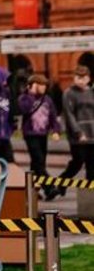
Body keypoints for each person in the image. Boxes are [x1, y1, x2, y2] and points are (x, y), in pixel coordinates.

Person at [17, 74, 61, 198]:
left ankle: (32, 190)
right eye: (41, 85)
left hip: (43, 134)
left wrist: (55, 131)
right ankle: (49, 188)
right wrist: (31, 94)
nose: (44, 88)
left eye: (45, 86)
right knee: (39, 160)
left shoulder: (47, 99)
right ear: (33, 85)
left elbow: (53, 116)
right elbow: (24, 110)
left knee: (37, 164)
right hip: (30, 134)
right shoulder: (24, 98)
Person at [55, 66, 94, 195]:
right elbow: (69, 114)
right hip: (77, 136)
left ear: (88, 78)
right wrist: (78, 132)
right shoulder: (69, 93)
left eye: (84, 78)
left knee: (92, 165)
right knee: (78, 162)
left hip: (92, 134)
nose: (81, 81)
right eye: (78, 78)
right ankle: (61, 183)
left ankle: (90, 194)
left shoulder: (92, 92)